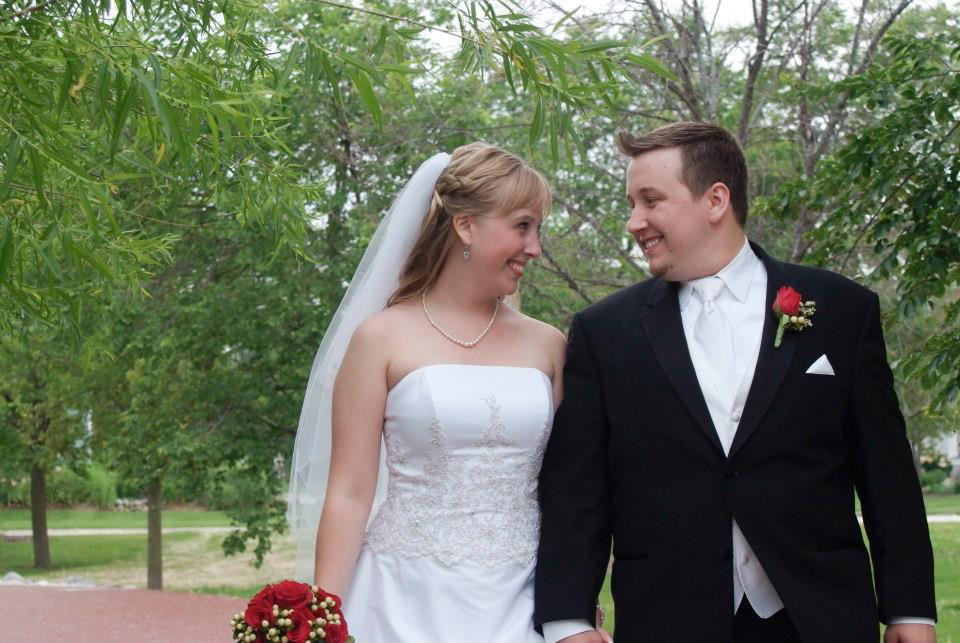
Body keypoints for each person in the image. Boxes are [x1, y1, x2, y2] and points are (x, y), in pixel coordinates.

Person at [534, 122, 937, 643]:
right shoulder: (603, 332)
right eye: (631, 205)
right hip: (668, 620)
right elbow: (577, 491)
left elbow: (887, 474)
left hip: (821, 618)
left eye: (651, 201)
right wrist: (567, 620)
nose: (634, 222)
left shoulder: (842, 310)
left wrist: (910, 610)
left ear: (716, 200)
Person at [288, 142, 568, 642]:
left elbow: (566, 493)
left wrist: (576, 611)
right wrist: (321, 621)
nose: (534, 248)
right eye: (522, 226)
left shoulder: (549, 345)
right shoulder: (380, 338)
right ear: (466, 225)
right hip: (400, 599)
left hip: (523, 603)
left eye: (537, 230)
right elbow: (350, 492)